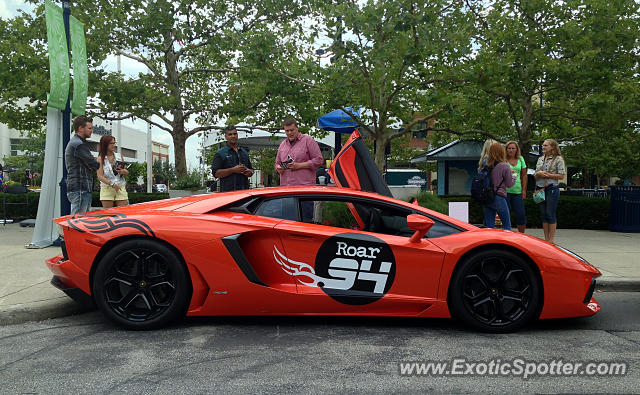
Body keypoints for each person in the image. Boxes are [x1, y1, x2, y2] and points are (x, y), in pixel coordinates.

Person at [275, 118, 323, 221]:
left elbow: (319, 160)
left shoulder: (308, 141)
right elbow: (277, 163)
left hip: (304, 189)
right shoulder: (282, 145)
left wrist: (299, 166)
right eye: (287, 131)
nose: (289, 133)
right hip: (286, 189)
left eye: (292, 130)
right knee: (287, 222)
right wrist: (278, 168)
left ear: (297, 128)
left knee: (305, 221)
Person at [65, 115, 100, 214]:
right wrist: (93, 162)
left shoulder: (76, 143)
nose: (92, 131)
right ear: (80, 128)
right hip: (80, 188)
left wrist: (90, 162)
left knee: (79, 222)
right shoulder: (79, 144)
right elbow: (94, 164)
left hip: (80, 188)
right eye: (89, 128)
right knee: (78, 223)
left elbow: (90, 163)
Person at [535, 139, 566, 243]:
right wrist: (538, 174)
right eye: (543, 145)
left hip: (552, 188)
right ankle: (546, 239)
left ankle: (551, 240)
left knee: (550, 213)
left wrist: (548, 175)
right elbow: (535, 175)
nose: (543, 147)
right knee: (543, 214)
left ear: (552, 147)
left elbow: (561, 176)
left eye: (546, 145)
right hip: (540, 188)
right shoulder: (540, 159)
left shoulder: (558, 159)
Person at [483, 142, 516, 230]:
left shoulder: (487, 165)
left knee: (489, 227)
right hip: (499, 197)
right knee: (507, 226)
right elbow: (509, 184)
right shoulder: (504, 166)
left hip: (487, 197)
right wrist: (514, 177)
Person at [211, 125, 254, 192]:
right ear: (226, 137)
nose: (233, 136)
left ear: (237, 135)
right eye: (230, 134)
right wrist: (233, 170)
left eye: (235, 134)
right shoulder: (221, 153)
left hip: (244, 192)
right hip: (228, 194)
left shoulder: (244, 152)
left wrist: (249, 172)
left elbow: (251, 170)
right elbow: (216, 173)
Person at [96, 135, 129, 208]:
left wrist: (123, 171)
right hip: (107, 188)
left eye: (114, 143)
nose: (114, 145)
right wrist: (112, 184)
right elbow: (100, 176)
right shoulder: (100, 159)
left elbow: (126, 172)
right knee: (108, 214)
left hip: (120, 186)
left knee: (123, 212)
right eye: (111, 143)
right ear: (105, 144)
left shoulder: (119, 156)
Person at [505, 141, 528, 233]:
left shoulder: (521, 159)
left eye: (513, 148)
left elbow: (524, 175)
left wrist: (524, 190)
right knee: (505, 215)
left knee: (521, 215)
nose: (511, 150)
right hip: (505, 191)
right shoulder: (503, 159)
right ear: (506, 150)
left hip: (517, 192)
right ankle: (506, 235)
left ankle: (522, 235)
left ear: (517, 149)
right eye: (509, 148)